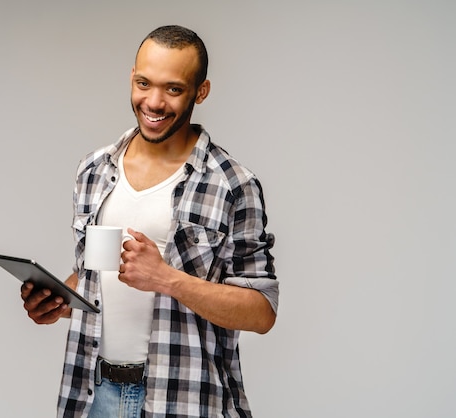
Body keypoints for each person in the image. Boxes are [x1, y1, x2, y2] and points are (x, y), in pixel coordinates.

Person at [21, 25, 278, 418]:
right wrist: (59, 302)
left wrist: (167, 278)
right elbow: (98, 276)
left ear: (200, 91)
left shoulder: (231, 184)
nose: (153, 102)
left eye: (173, 89)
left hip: (184, 399)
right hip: (94, 395)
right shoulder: (95, 171)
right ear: (132, 78)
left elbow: (262, 311)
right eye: (144, 83)